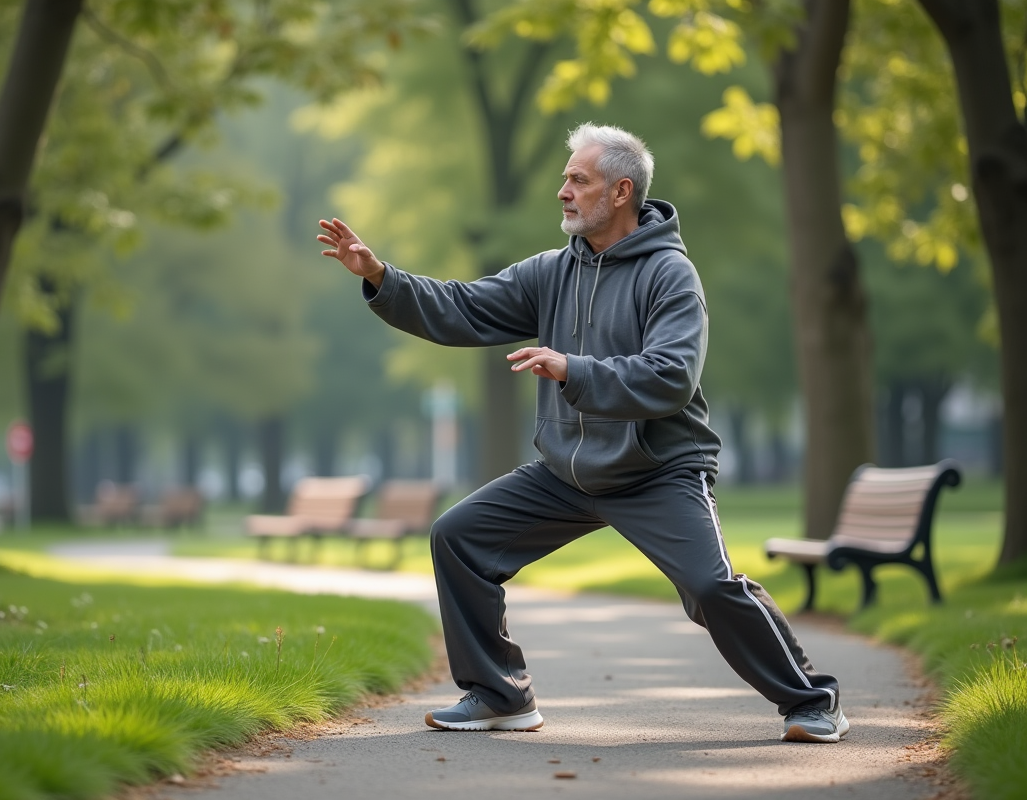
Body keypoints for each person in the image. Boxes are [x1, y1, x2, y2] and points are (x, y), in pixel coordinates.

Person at [316, 123, 848, 744]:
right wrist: (381, 276)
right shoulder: (552, 271)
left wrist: (575, 370)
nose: (563, 191)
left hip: (658, 468)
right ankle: (499, 696)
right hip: (567, 471)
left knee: (710, 586)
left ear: (621, 191)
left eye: (578, 179)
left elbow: (672, 376)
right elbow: (464, 307)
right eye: (566, 178)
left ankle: (813, 700)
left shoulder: (670, 275)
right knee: (459, 537)